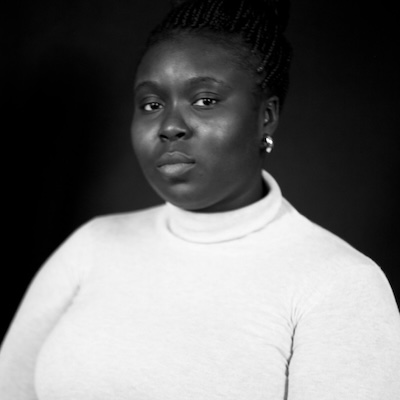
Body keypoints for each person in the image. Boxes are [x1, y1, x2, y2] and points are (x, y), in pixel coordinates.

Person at [1, 0, 399, 398]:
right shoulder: (92, 245)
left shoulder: (340, 284)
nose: (170, 126)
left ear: (266, 116)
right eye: (152, 104)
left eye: (205, 100)